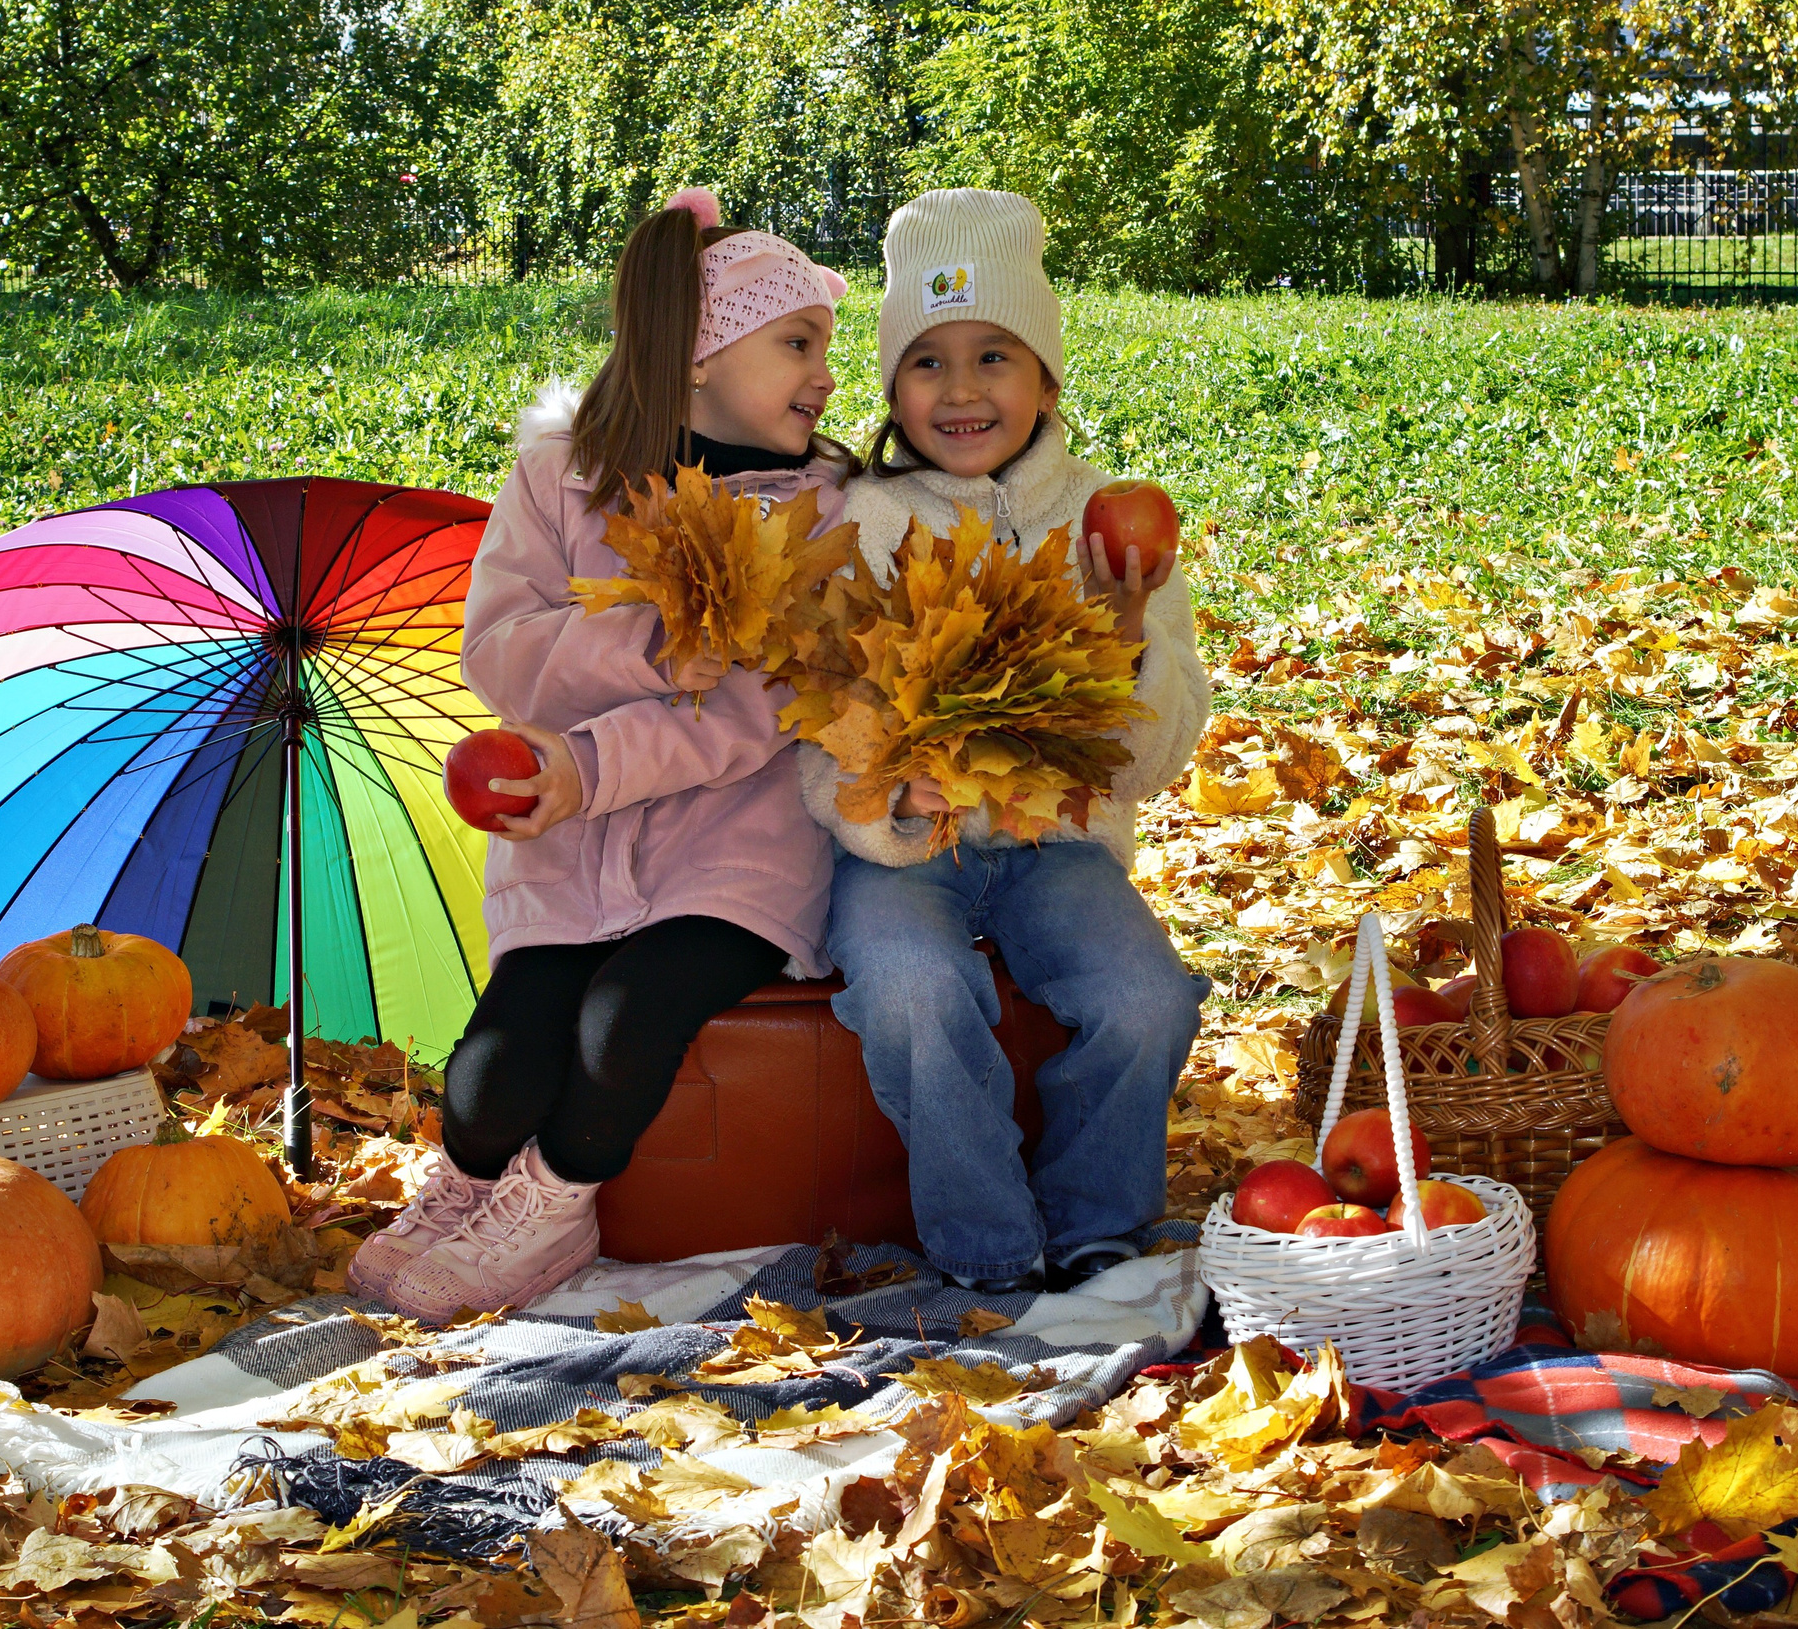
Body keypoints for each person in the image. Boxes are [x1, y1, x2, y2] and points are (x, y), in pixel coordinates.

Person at [351, 188, 855, 1321]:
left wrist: (587, 768)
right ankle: (473, 1180)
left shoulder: (817, 512)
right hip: (568, 850)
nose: (827, 374)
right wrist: (643, 637)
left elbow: (749, 716)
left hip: (735, 849)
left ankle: (556, 1200)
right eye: (798, 344)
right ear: (695, 359)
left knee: (624, 1022)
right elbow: (500, 649)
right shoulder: (558, 477)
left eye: (826, 348)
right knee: (485, 1083)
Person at [801, 188, 1210, 1297]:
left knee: (1146, 998)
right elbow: (814, 715)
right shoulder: (861, 522)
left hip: (1060, 850)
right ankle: (987, 1245)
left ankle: (1096, 1220)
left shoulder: (1106, 522)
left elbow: (1151, 764)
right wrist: (886, 801)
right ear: (890, 386)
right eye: (927, 362)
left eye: (995, 355)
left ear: (1045, 377)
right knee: (907, 988)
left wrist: (1126, 643)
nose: (963, 389)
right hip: (906, 855)